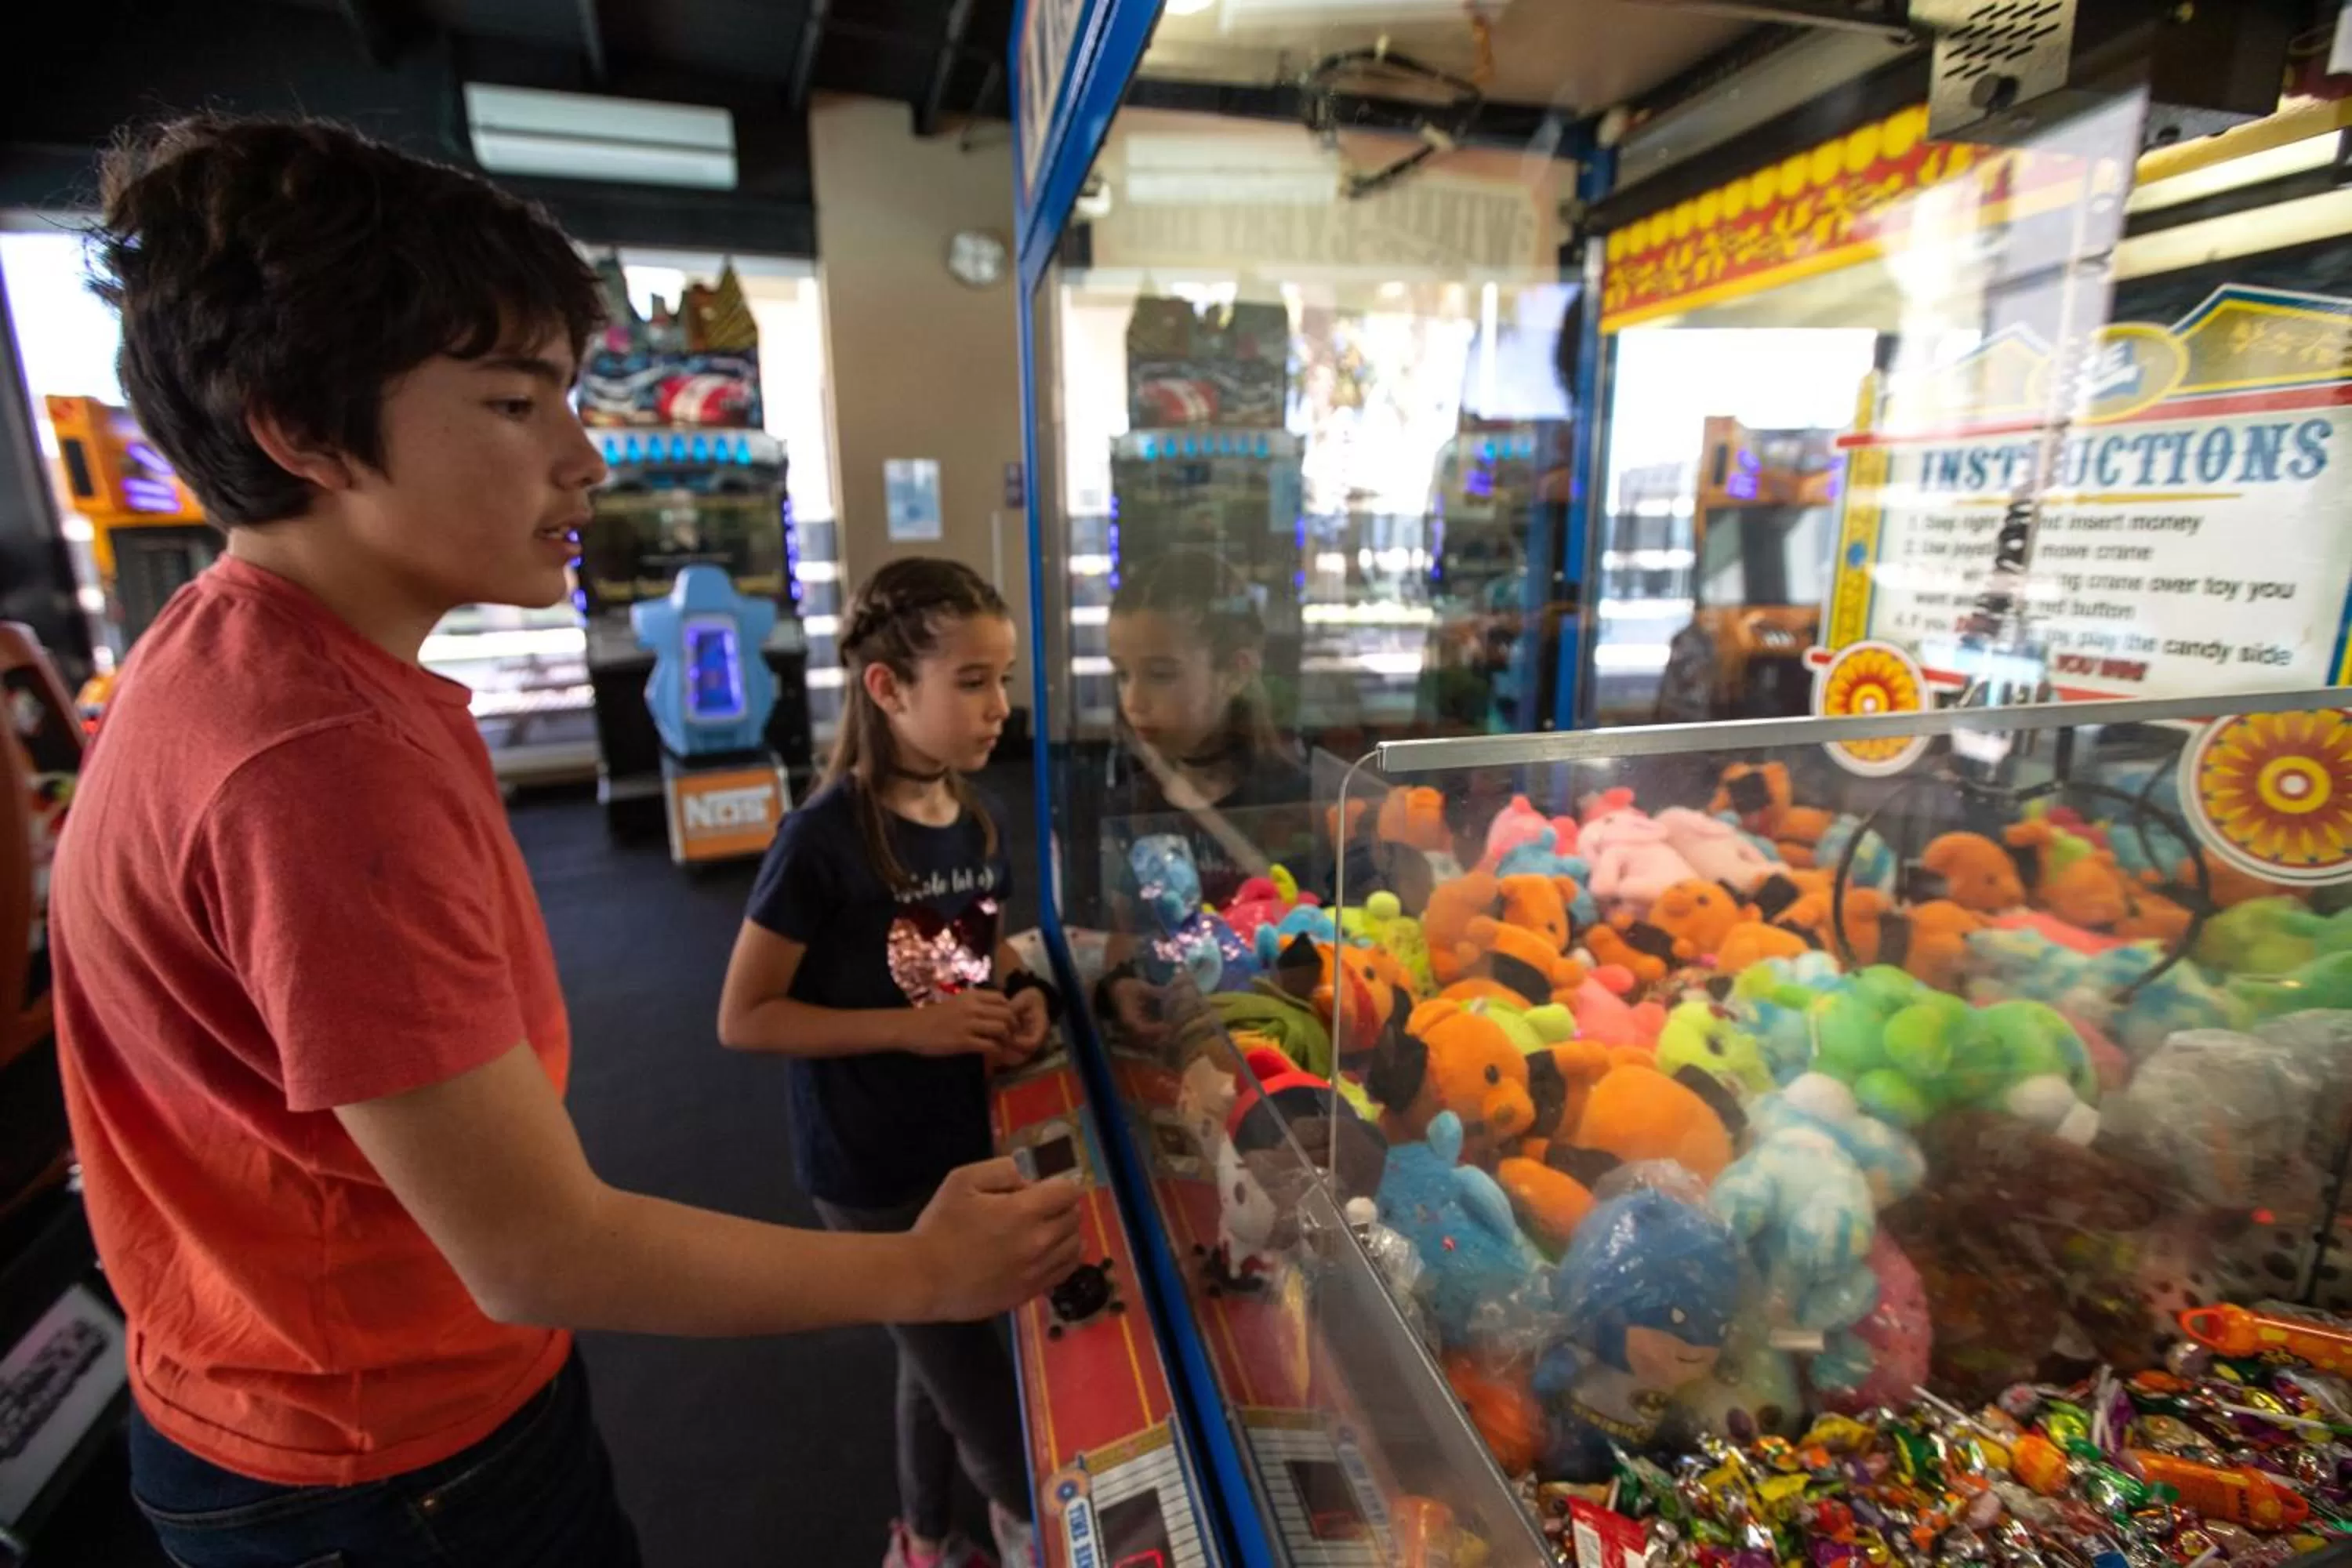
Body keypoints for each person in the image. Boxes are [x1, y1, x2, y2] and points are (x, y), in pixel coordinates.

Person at [49, 115, 1084, 1568]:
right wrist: (915, 1267)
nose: (586, 458)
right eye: (513, 403)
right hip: (385, 1466)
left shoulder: (244, 656)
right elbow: (534, 1249)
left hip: (291, 1400)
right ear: (300, 429)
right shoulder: (317, 762)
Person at [717, 557, 1054, 1568]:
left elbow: (966, 955)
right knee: (993, 1416)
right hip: (869, 1165)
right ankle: (1008, 1521)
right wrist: (911, 1031)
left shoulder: (978, 815)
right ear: (888, 688)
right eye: (971, 681)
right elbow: (746, 1016)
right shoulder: (820, 841)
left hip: (960, 1141)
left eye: (1003, 678)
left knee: (931, 1350)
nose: (1000, 706)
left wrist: (1017, 992)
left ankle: (922, 1532)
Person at [1094, 550, 1315, 1040]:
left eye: (1161, 673)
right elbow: (1124, 933)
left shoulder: (1295, 798)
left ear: (1235, 671)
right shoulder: (1130, 801)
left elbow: (1317, 945)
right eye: (1122, 673)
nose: (1133, 699)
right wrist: (1121, 985)